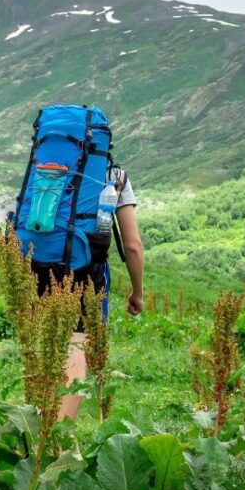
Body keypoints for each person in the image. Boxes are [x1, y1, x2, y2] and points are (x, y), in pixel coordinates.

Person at [57, 166, 145, 420]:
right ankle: (54, 440)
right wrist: (137, 293)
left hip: (38, 267)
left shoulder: (48, 160)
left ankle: (42, 434)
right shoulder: (114, 177)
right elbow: (133, 246)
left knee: (49, 354)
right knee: (75, 355)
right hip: (86, 274)